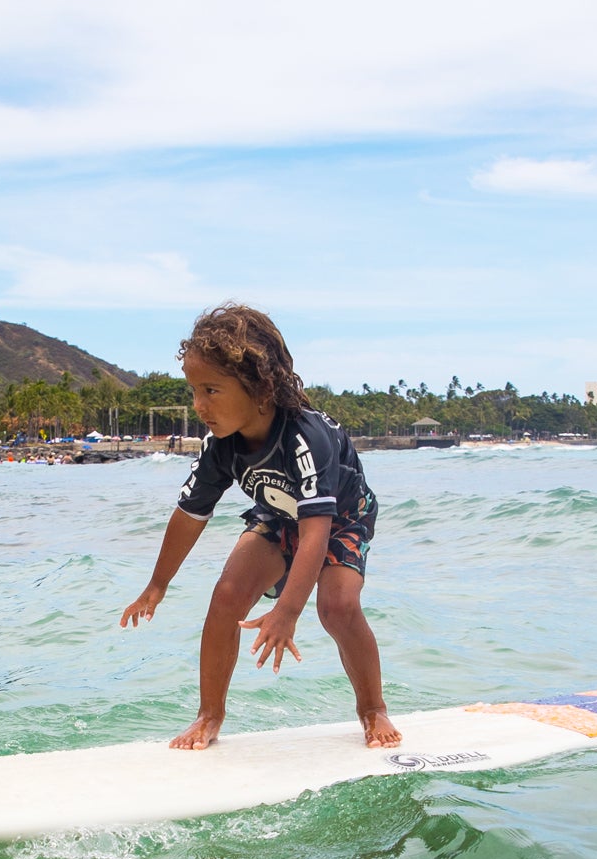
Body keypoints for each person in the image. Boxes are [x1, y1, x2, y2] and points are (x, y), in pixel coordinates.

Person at [119, 303, 399, 751]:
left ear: (260, 388)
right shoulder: (221, 445)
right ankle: (209, 715)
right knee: (227, 595)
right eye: (194, 390)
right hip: (278, 514)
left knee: (337, 606)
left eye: (211, 390)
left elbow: (315, 531)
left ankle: (372, 708)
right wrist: (157, 584)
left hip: (341, 517)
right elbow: (190, 514)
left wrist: (288, 611)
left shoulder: (304, 436)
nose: (198, 405)